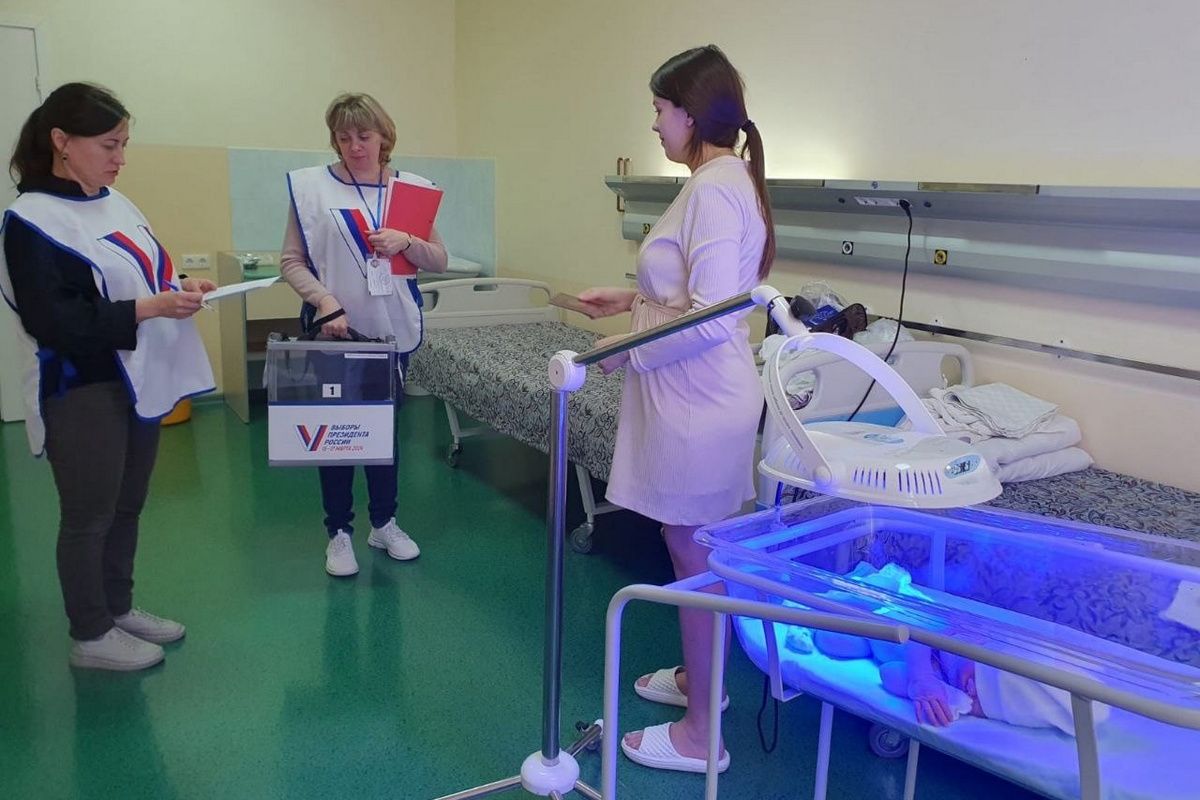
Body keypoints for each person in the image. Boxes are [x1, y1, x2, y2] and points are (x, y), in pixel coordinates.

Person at [578, 45, 775, 774]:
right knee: (688, 545)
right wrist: (631, 300)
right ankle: (701, 680)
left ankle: (701, 737)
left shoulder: (717, 188)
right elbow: (694, 292)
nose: (655, 122)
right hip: (692, 394)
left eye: (660, 109)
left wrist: (625, 349)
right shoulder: (715, 182)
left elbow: (713, 318)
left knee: (695, 555)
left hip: (699, 400)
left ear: (691, 114)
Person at [0, 83, 216, 671]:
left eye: (124, 144)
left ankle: (117, 608)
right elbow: (56, 321)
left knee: (127, 505)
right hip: (81, 385)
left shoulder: (115, 202)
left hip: (137, 377)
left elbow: (143, 273)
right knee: (88, 515)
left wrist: (180, 288)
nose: (120, 158)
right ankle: (90, 634)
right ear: (61, 141)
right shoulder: (30, 221)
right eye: (109, 145)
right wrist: (149, 308)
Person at [280, 92, 448, 577]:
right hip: (335, 332)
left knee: (382, 435)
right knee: (335, 438)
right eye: (344, 136)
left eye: (364, 135)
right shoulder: (311, 189)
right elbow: (290, 260)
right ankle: (338, 532)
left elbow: (439, 259)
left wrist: (408, 241)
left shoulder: (411, 191)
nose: (354, 146)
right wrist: (323, 301)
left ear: (383, 137)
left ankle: (383, 523)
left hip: (390, 335)